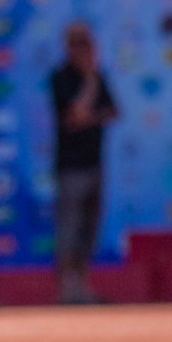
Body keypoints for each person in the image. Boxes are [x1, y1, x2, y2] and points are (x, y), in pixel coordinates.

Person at [50, 22, 118, 303]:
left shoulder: (99, 76)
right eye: (78, 43)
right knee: (69, 226)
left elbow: (113, 111)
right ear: (68, 46)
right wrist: (90, 82)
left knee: (90, 227)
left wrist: (87, 116)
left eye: (87, 43)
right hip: (70, 166)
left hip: (94, 162)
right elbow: (74, 116)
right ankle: (67, 289)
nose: (84, 49)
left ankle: (82, 285)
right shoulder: (61, 77)